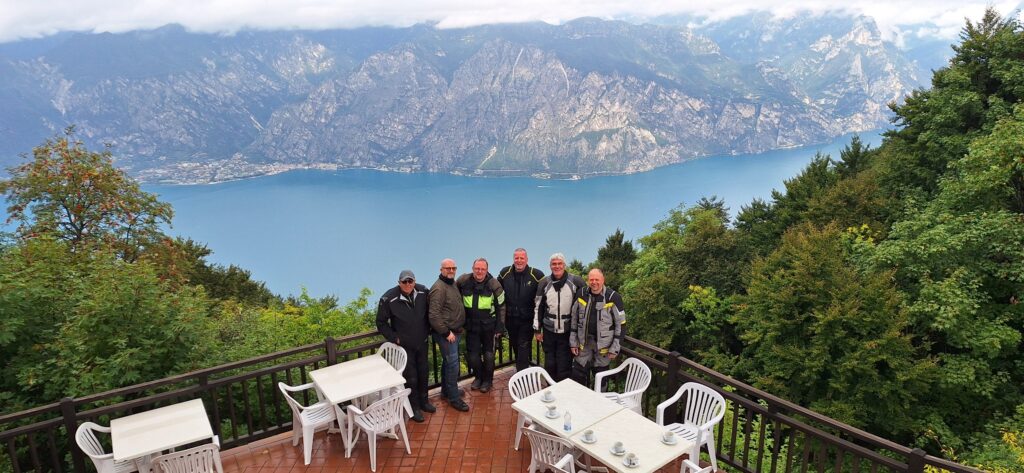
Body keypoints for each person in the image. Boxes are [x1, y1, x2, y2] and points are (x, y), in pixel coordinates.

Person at [375, 270, 435, 422]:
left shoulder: (423, 291)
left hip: (422, 342)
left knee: (424, 373)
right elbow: (381, 323)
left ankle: (424, 402)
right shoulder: (389, 298)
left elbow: (432, 311)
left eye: (410, 281)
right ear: (399, 283)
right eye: (404, 282)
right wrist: (394, 338)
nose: (408, 284)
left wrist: (430, 329)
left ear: (414, 281)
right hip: (405, 346)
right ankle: (414, 407)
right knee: (411, 377)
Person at [533, 253, 585, 381]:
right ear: (550, 266)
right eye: (554, 264)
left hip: (568, 331)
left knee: (564, 364)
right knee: (550, 363)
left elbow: (585, 306)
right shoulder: (544, 283)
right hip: (549, 330)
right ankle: (550, 387)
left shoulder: (576, 281)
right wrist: (537, 330)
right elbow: (538, 307)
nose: (557, 266)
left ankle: (562, 389)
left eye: (559, 264)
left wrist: (581, 330)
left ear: (564, 265)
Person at [570, 268, 626, 387]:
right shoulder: (581, 293)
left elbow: (621, 324)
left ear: (603, 280)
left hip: (604, 348)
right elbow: (574, 319)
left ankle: (599, 398)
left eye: (597, 279)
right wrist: (573, 342)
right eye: (591, 279)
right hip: (584, 344)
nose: (594, 282)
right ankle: (579, 397)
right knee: (578, 375)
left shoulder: (613, 297)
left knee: (601, 379)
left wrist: (615, 347)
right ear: (588, 280)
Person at [457, 258, 506, 393]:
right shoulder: (463, 281)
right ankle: (478, 377)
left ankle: (487, 381)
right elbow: (454, 295)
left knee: (489, 355)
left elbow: (502, 306)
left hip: (489, 327)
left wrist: (500, 327)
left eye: (482, 269)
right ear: (473, 268)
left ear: (487, 270)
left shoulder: (494, 284)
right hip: (471, 326)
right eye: (477, 268)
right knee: (473, 356)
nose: (479, 271)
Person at [428, 258, 470, 412]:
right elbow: (433, 315)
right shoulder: (439, 288)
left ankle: (446, 391)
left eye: (453, 268)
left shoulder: (452, 284)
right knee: (453, 366)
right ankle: (454, 398)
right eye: (448, 268)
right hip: (447, 335)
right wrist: (446, 332)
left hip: (455, 332)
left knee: (448, 363)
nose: (451, 271)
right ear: (441, 270)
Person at [498, 248, 545, 371]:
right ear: (513, 259)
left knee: (523, 346)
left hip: (527, 320)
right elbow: (496, 289)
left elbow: (544, 297)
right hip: (510, 319)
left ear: (527, 259)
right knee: (516, 346)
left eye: (522, 258)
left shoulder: (537, 275)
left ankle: (521, 375)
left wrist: (540, 323)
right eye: (516, 258)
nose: (519, 260)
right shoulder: (505, 273)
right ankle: (524, 370)